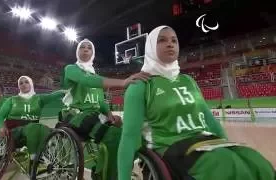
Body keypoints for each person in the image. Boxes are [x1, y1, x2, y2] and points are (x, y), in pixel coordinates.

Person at [117, 26, 275, 180]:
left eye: (174, 40)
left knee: (256, 162)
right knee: (226, 165)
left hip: (203, 142)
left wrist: (226, 144)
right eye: (162, 40)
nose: (170, 44)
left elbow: (209, 120)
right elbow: (129, 137)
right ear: (150, 47)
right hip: (170, 147)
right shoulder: (140, 86)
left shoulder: (189, 80)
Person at [58, 39, 150, 180]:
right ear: (77, 51)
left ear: (93, 53)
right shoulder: (71, 69)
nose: (86, 49)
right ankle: (105, 175)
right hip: (76, 115)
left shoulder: (94, 74)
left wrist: (109, 115)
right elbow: (86, 80)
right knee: (116, 136)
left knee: (133, 135)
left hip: (93, 116)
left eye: (89, 47)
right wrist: (123, 82)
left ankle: (112, 169)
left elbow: (100, 102)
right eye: (82, 47)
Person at [0, 76, 65, 172]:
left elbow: (53, 95)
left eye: (26, 82)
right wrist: (1, 127)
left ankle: (43, 155)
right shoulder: (11, 100)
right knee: (34, 127)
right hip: (14, 130)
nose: (23, 84)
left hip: (32, 131)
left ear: (31, 84)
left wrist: (67, 92)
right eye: (21, 83)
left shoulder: (39, 98)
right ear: (18, 86)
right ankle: (34, 159)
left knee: (45, 128)